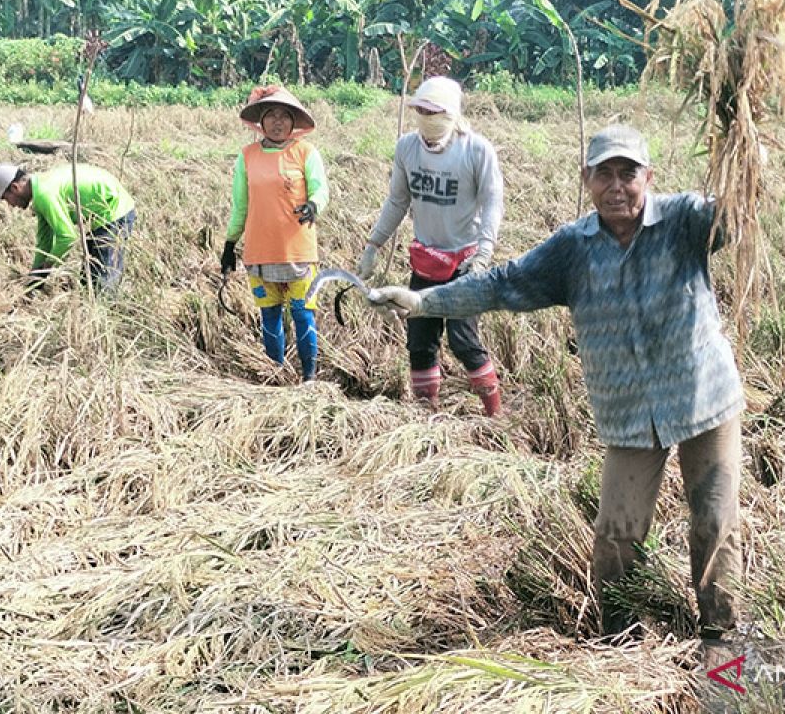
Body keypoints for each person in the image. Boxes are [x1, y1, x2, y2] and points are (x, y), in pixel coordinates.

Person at [368, 124, 745, 662]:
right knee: (617, 535)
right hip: (630, 415)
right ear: (587, 180)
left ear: (649, 178)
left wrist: (739, 143)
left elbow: (738, 213)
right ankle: (619, 641)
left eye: (628, 174)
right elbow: (500, 285)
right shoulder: (573, 249)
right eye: (605, 174)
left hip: (704, 400)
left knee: (714, 519)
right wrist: (425, 302)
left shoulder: (685, 220)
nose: (618, 187)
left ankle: (721, 638)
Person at [356, 76, 504, 416]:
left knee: (463, 340)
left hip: (465, 264)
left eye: (434, 111)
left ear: (451, 114)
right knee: (419, 342)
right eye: (421, 110)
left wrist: (484, 252)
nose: (427, 117)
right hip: (426, 262)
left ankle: (495, 414)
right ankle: (427, 413)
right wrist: (373, 245)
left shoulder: (475, 150)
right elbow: (397, 201)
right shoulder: (407, 148)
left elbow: (493, 201)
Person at [221, 85, 329, 384]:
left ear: (294, 122)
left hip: (298, 253)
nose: (278, 122)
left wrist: (314, 205)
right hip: (260, 251)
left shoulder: (306, 153)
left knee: (303, 314)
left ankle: (309, 378)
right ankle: (276, 377)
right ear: (261, 121)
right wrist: (230, 244)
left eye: (285, 116)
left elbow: (321, 189)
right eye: (271, 116)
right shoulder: (247, 157)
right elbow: (241, 205)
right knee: (269, 317)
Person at [0, 161, 135, 294]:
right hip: (104, 213)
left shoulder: (44, 194)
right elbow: (44, 242)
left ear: (15, 188)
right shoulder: (40, 189)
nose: (10, 205)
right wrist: (35, 275)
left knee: (103, 281)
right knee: (89, 279)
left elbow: (67, 237)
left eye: (5, 198)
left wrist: (48, 266)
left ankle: (107, 316)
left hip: (115, 210)